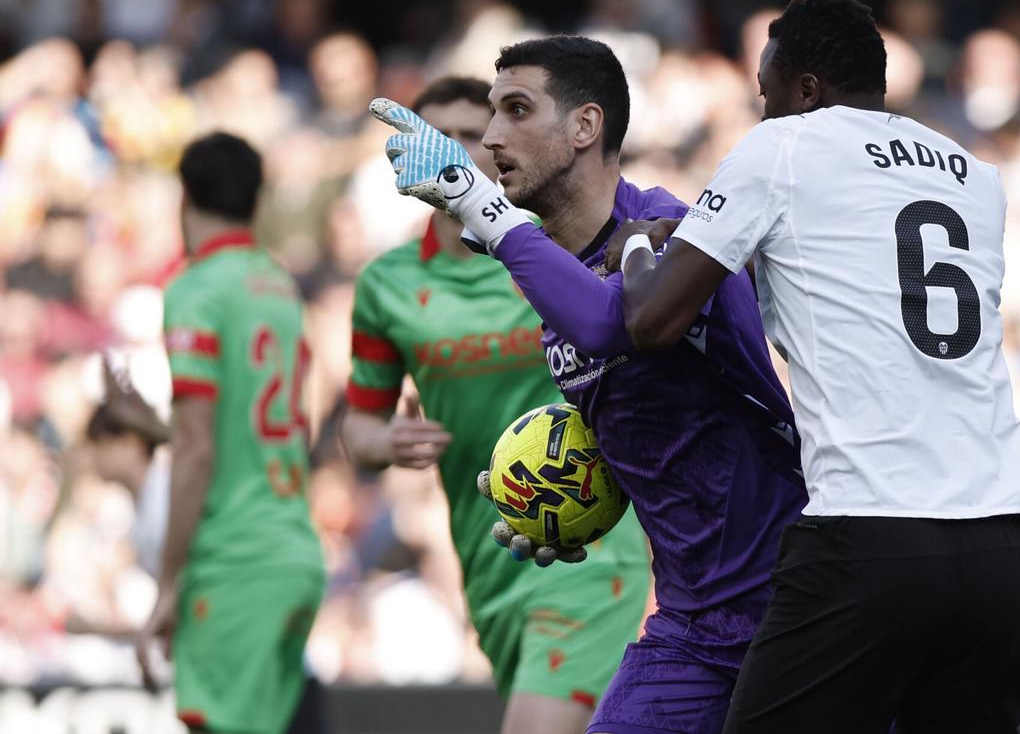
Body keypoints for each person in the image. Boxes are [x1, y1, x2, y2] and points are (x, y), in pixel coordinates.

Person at [605, 0, 1020, 733]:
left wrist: (641, 245)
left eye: (766, 94)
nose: (762, 111)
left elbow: (652, 320)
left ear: (805, 89)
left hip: (871, 526)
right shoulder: (974, 174)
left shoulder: (783, 146)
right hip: (1003, 533)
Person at [370, 36, 809, 734]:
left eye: (516, 110)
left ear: (585, 126)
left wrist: (475, 201)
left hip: (796, 611)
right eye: (491, 114)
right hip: (693, 625)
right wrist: (566, 497)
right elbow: (660, 432)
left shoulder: (674, 230)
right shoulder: (549, 284)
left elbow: (615, 324)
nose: (490, 137)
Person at [340, 76, 650, 734]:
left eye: (467, 134)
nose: (452, 150)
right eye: (433, 136)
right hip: (488, 556)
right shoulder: (385, 284)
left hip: (588, 541)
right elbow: (359, 425)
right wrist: (382, 444)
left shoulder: (547, 246)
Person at [137, 132, 326, 734]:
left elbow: (198, 446)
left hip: (234, 561)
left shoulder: (195, 288)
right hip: (294, 547)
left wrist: (168, 579)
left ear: (183, 199)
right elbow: (287, 417)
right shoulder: (278, 284)